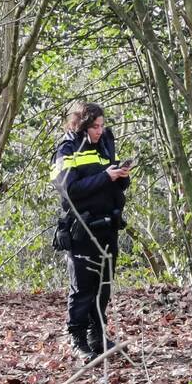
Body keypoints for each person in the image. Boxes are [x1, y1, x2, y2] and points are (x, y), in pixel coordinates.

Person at [50, 102, 131, 362]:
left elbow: (111, 181)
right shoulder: (67, 148)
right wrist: (106, 177)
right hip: (81, 228)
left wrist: (121, 175)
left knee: (103, 285)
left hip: (108, 225)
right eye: (95, 126)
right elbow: (68, 189)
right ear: (82, 124)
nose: (100, 130)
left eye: (102, 125)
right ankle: (77, 339)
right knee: (82, 288)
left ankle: (98, 336)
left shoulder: (105, 144)